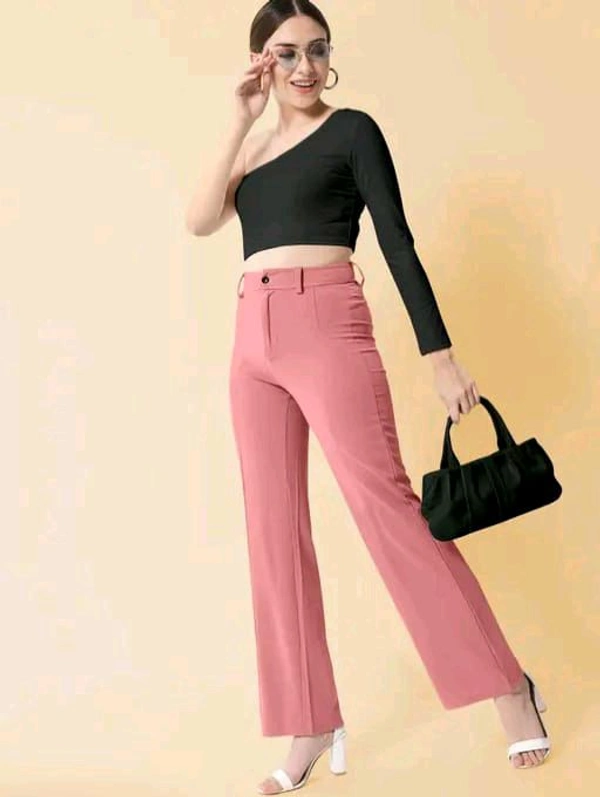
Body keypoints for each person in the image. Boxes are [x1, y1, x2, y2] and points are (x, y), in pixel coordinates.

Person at [185, 1, 551, 792]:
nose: (306, 66)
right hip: (252, 335)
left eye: (317, 50)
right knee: (272, 530)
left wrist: (440, 356)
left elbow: (396, 238)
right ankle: (310, 720)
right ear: (261, 61)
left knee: (388, 509)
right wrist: (237, 117)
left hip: (327, 321)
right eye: (287, 53)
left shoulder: (352, 131)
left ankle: (509, 686)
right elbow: (200, 219)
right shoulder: (253, 145)